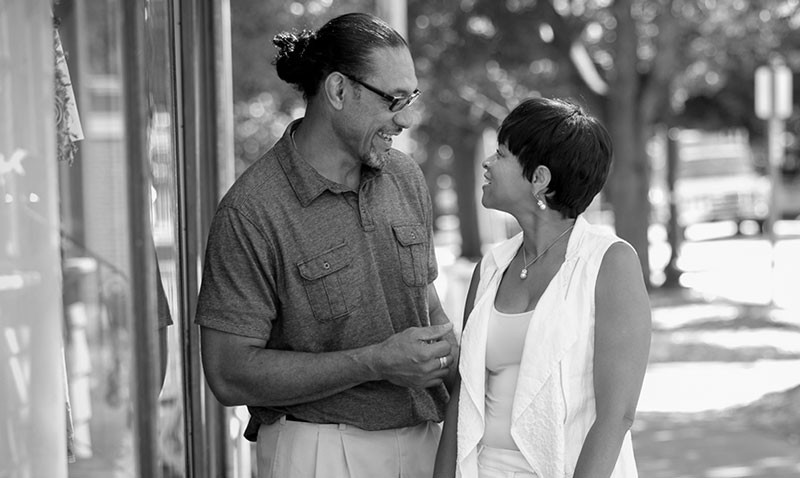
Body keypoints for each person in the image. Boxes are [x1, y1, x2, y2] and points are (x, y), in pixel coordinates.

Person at [194, 13, 457, 478]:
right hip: (316, 454)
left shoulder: (406, 176)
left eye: (411, 97)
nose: (407, 116)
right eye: (395, 99)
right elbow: (227, 372)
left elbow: (425, 303)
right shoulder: (251, 210)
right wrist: (373, 363)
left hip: (423, 443)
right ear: (337, 91)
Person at [433, 97, 651, 478]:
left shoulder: (609, 262)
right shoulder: (490, 268)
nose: (487, 163)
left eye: (501, 155)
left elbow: (617, 415)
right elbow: (463, 400)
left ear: (539, 178)